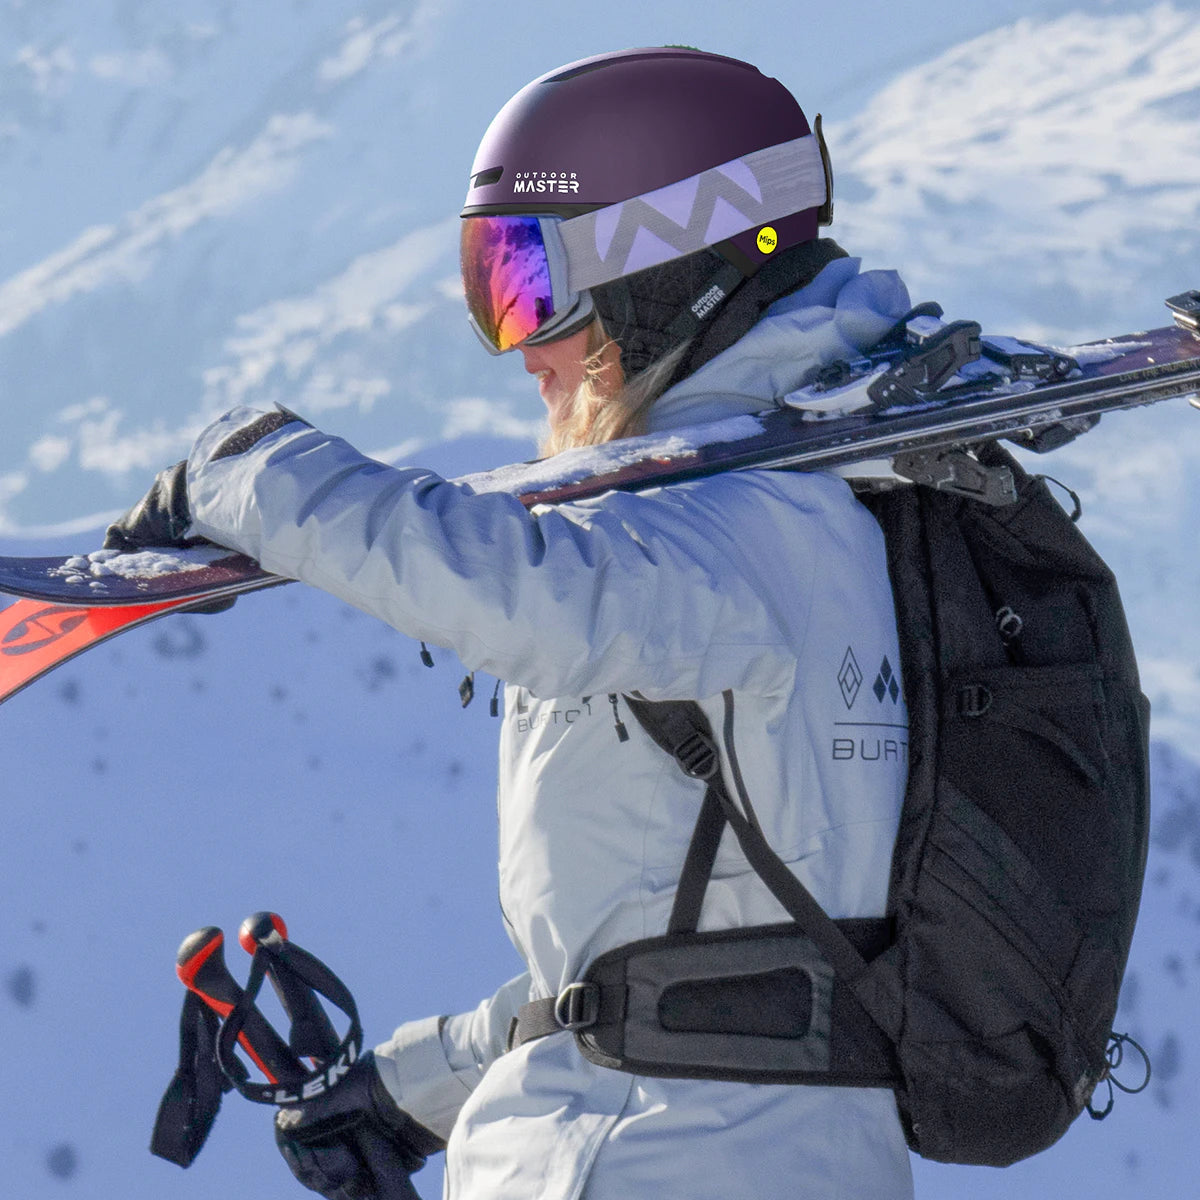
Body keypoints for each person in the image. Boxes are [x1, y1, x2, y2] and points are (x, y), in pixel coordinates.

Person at [111, 46, 917, 1200]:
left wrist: (250, 471)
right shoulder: (814, 518)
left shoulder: (735, 535)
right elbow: (688, 966)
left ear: (670, 270)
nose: (523, 350)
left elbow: (515, 591)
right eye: (493, 289)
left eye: (536, 289)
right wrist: (414, 1092)